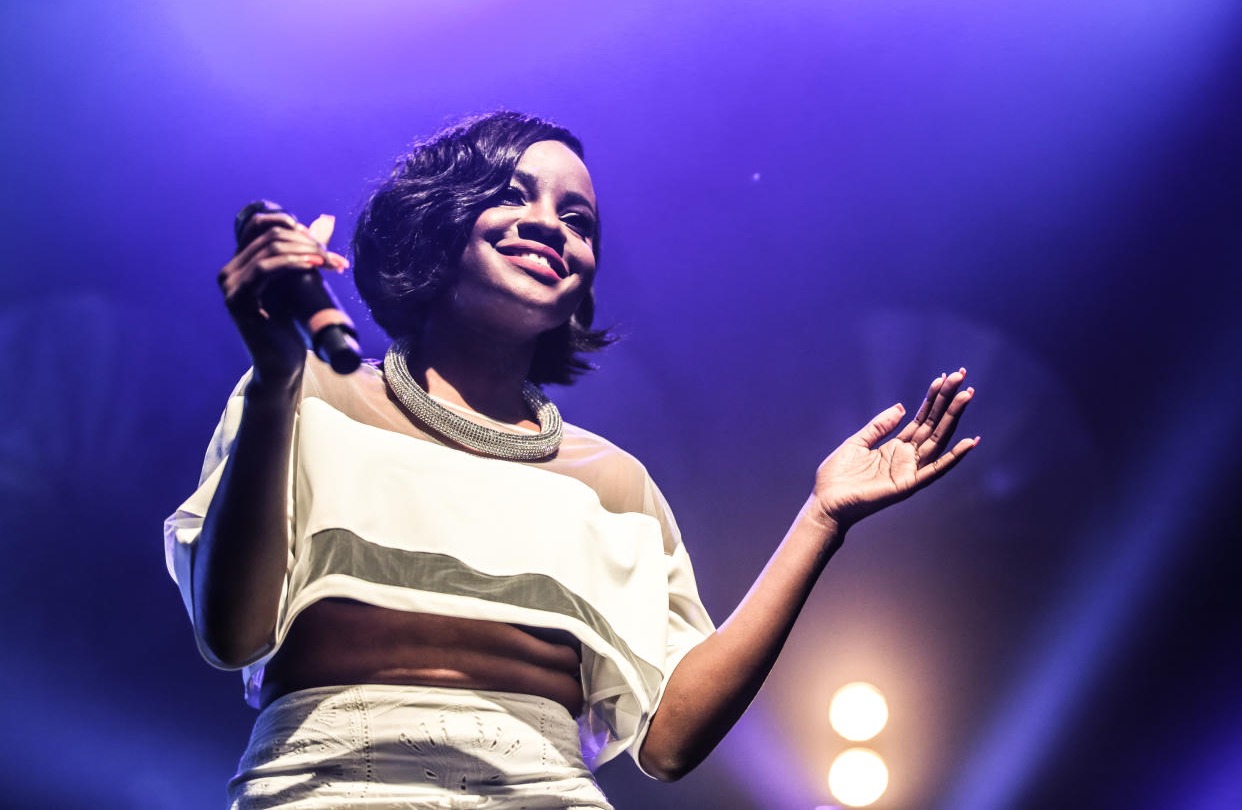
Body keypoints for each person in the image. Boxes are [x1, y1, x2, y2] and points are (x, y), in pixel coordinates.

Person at [164, 111, 977, 808]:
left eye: (579, 218)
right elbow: (233, 635)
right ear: (439, 222)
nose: (552, 225)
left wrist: (820, 520)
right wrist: (277, 378)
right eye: (513, 195)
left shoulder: (613, 483)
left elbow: (670, 741)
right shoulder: (308, 400)